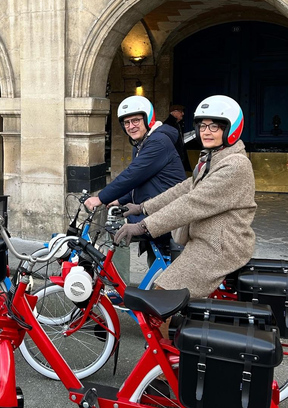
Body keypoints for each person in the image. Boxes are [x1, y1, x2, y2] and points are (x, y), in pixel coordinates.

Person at [114, 95, 256, 300]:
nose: (206, 131)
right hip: (205, 238)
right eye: (203, 126)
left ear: (230, 128)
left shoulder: (234, 165)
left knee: (162, 295)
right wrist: (142, 207)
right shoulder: (213, 157)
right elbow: (185, 188)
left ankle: (164, 333)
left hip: (219, 245)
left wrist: (142, 225)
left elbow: (192, 203)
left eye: (215, 126)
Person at [84, 95, 185, 255]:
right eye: (127, 123)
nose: (131, 126)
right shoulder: (141, 145)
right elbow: (140, 181)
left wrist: (101, 197)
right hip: (153, 211)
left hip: (166, 213)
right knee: (155, 264)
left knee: (162, 269)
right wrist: (118, 200)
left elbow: (132, 175)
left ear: (147, 119)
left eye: (136, 120)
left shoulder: (158, 141)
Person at [163, 103, 191, 172]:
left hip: (179, 157)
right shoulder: (168, 125)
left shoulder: (179, 124)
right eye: (181, 112)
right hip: (173, 159)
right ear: (174, 112)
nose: (183, 114)